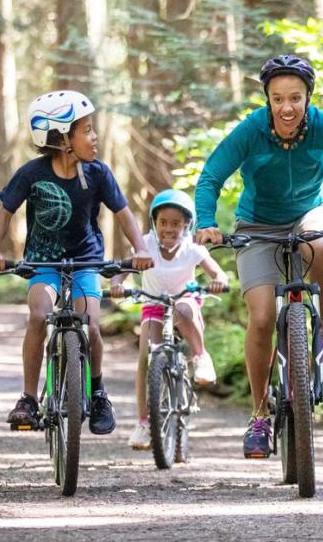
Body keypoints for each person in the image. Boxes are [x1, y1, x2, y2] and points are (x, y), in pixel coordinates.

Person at [193, 54, 323, 458]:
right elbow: (212, 176)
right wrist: (207, 222)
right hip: (256, 224)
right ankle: (259, 416)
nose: (287, 107)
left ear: (308, 99)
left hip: (310, 212)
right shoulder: (251, 130)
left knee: (319, 242)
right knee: (263, 315)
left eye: (296, 98)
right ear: (267, 99)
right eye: (278, 98)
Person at [0, 90, 153, 436]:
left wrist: (139, 249)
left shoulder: (98, 173)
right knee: (37, 314)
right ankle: (29, 398)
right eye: (86, 130)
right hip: (42, 262)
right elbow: (4, 213)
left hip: (85, 261)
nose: (94, 137)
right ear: (62, 139)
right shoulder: (32, 174)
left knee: (90, 324)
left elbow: (123, 214)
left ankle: (99, 390)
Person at [108, 188, 230, 450]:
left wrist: (219, 281)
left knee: (184, 310)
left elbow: (218, 273)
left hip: (184, 302)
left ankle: (200, 357)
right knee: (145, 356)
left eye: (176, 223)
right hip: (153, 304)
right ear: (155, 223)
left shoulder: (192, 249)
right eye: (163, 222)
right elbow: (123, 269)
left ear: (187, 225)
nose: (169, 228)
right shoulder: (146, 245)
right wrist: (117, 283)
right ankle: (144, 424)